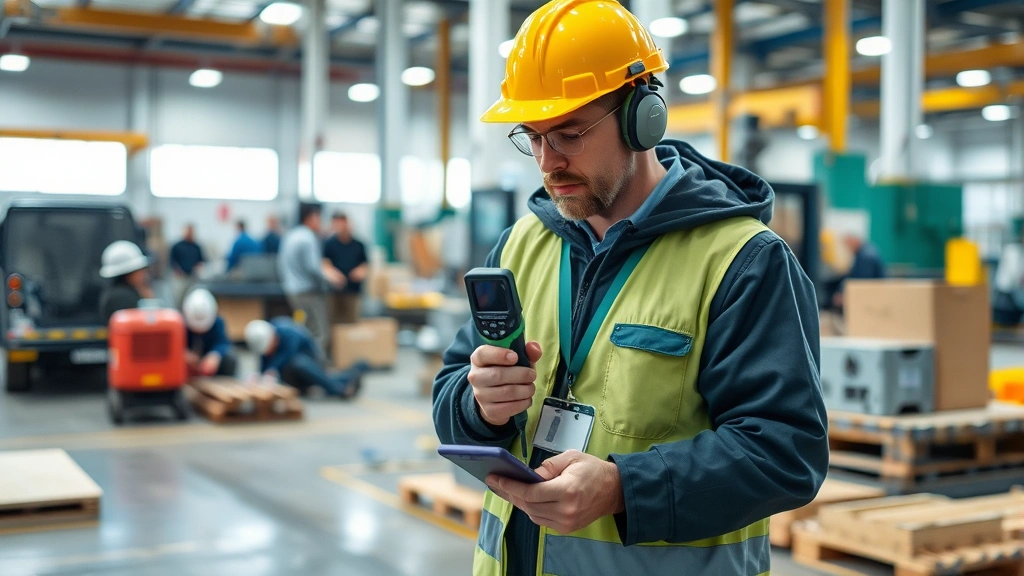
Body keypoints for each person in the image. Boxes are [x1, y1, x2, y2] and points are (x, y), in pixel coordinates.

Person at [431, 2, 828, 575]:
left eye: (568, 133)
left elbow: (786, 452)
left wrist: (624, 488)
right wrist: (480, 406)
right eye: (532, 137)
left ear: (643, 116)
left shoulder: (741, 260)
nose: (548, 162)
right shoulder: (520, 245)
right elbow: (450, 389)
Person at [278, 202, 345, 350]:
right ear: (311, 218)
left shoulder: (291, 235)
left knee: (305, 329)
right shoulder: (308, 238)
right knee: (320, 331)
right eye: (319, 217)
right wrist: (334, 277)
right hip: (308, 292)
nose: (320, 221)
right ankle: (316, 366)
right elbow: (314, 267)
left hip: (292, 290)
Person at [244, 318, 366, 398]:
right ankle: (350, 375)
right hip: (294, 373)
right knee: (316, 376)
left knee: (298, 363)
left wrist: (271, 370)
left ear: (273, 338)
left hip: (311, 365)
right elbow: (265, 359)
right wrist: (259, 375)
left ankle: (340, 389)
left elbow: (288, 356)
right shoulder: (268, 340)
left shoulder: (289, 332)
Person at [322, 212, 369, 324]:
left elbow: (365, 265)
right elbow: (325, 264)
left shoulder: (359, 245)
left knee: (352, 322)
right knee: (334, 322)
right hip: (334, 292)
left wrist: (360, 272)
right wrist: (333, 275)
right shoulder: (329, 244)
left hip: (353, 290)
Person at [182, 288, 237, 377]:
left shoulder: (218, 323)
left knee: (230, 358)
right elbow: (173, 345)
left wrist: (215, 355)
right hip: (187, 370)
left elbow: (224, 343)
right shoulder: (180, 324)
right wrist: (183, 354)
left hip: (209, 367)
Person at [99, 240, 154, 323]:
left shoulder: (115, 293)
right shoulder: (123, 298)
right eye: (139, 270)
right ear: (129, 273)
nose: (143, 274)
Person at [169, 224, 205, 308]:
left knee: (192, 298)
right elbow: (172, 261)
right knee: (179, 299)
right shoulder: (177, 246)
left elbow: (201, 261)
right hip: (181, 277)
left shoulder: (196, 247)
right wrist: (176, 270)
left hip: (192, 277)